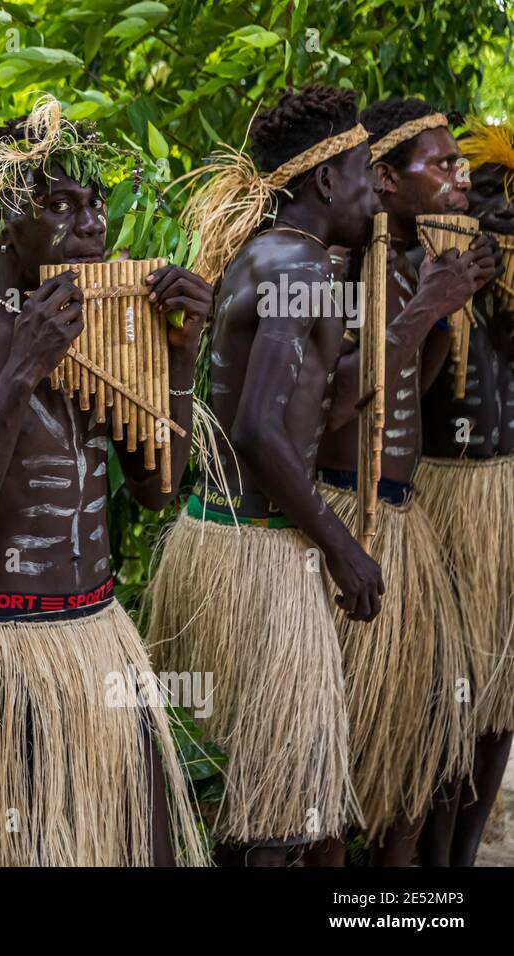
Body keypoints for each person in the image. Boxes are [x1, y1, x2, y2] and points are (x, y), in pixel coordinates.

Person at [0, 95, 212, 866]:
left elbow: (158, 488)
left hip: (101, 636)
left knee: (149, 848)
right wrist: (25, 365)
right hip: (6, 648)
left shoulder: (114, 324)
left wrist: (177, 351)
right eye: (59, 205)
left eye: (96, 202)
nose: (91, 222)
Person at [148, 85, 382, 866]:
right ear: (324, 182)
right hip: (260, 558)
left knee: (237, 809)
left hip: (218, 543)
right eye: (365, 172)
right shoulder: (300, 264)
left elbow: (304, 399)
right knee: (273, 827)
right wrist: (341, 547)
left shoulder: (266, 253)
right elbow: (257, 429)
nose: (376, 190)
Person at [306, 98, 493, 866]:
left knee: (417, 763)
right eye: (442, 165)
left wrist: (449, 310)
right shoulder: (335, 265)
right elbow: (321, 410)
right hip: (348, 517)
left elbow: (410, 385)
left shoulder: (419, 263)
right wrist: (421, 312)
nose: (460, 178)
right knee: (328, 771)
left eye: (461, 163)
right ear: (383, 178)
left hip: (404, 518)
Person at [418, 117, 514, 866]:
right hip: (443, 500)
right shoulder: (429, 266)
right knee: (447, 693)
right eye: (490, 190)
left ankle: (462, 860)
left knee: (500, 697)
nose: (504, 210)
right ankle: (425, 860)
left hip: (503, 502)